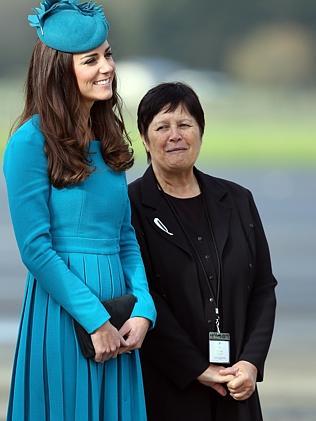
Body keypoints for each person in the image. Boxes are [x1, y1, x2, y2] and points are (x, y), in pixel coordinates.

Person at [3, 1, 156, 420]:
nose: (107, 66)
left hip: (118, 317)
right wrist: (95, 320)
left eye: (108, 54)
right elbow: (35, 249)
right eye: (91, 59)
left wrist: (143, 305)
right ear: (58, 70)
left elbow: (125, 236)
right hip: (66, 316)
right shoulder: (28, 144)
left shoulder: (106, 139)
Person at [128, 82, 277, 421]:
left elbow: (264, 288)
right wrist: (196, 368)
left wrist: (251, 363)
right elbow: (143, 295)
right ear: (144, 137)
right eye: (162, 127)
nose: (175, 135)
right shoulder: (129, 206)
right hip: (168, 387)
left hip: (238, 384)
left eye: (185, 124)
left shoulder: (238, 200)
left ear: (201, 131)